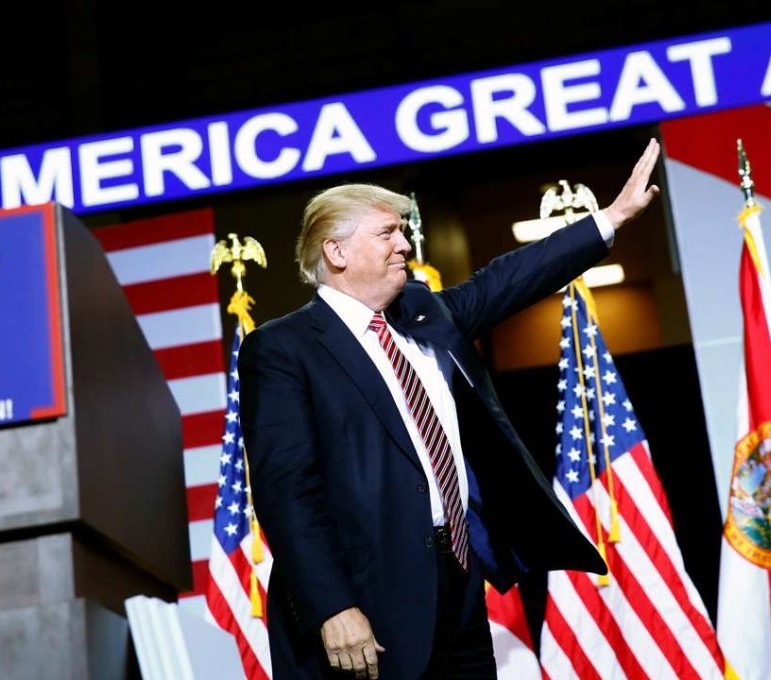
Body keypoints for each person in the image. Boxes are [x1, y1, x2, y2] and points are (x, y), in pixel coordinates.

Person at [238, 139, 661, 679]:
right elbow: (286, 491)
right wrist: (332, 607)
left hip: (456, 582)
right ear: (336, 252)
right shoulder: (283, 348)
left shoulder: (423, 312)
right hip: (363, 600)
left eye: (403, 231)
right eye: (387, 233)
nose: (405, 245)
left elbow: (508, 279)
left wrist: (611, 218)